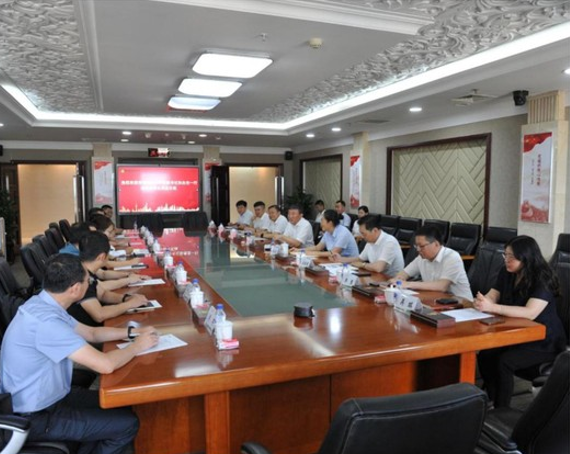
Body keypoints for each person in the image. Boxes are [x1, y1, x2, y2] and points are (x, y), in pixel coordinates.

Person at [0, 253, 159, 454]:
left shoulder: (43, 304)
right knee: (127, 424)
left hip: (53, 397)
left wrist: (133, 332)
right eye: (88, 281)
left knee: (123, 406)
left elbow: (92, 333)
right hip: (36, 415)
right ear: (75, 289)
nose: (90, 284)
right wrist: (137, 346)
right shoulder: (46, 323)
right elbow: (105, 365)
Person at [474, 235, 566, 408]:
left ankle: (501, 409)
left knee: (505, 361)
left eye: (512, 257)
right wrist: (484, 301)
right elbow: (494, 294)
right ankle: (492, 398)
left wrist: (492, 307)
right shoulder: (507, 272)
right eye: (505, 255)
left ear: (526, 257)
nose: (507, 260)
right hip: (516, 333)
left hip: (543, 340)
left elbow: (530, 313)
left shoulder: (543, 278)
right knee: (486, 355)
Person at [67, 231, 150, 327]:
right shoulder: (80, 277)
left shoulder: (85, 268)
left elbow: (103, 294)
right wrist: (130, 304)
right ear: (102, 256)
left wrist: (126, 298)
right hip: (87, 331)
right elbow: (99, 315)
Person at [389, 225, 472, 300]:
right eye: (416, 246)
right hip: (436, 300)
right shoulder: (421, 258)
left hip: (461, 304)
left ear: (436, 244)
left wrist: (408, 284)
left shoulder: (452, 257)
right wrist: (399, 279)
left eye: (421, 246)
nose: (418, 249)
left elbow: (442, 286)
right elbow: (404, 273)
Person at [333, 214, 404, 276]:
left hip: (392, 280)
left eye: (364, 234)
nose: (362, 237)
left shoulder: (389, 242)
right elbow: (359, 259)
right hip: (376, 277)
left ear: (375, 230)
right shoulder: (370, 241)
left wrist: (363, 265)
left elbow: (379, 268)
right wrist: (341, 259)